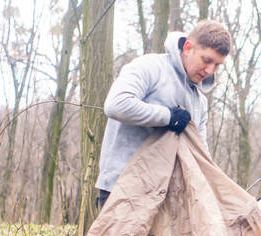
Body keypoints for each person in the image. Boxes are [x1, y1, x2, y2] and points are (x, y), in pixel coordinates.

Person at [95, 20, 231, 208]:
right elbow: (116, 104)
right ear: (188, 47)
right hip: (122, 191)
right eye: (207, 60)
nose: (210, 71)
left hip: (167, 200)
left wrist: (217, 194)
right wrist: (168, 117)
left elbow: (201, 153)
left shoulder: (199, 101)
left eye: (217, 65)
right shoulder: (150, 67)